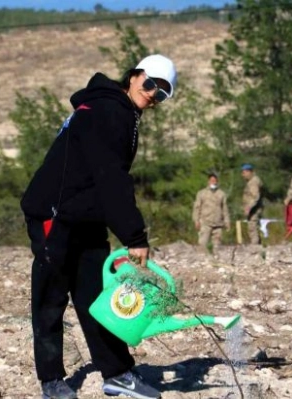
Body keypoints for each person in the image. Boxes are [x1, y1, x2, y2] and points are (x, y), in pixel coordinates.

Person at [20, 54, 177, 399]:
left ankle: (117, 373)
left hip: (87, 216)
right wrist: (134, 235)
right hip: (54, 214)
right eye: (150, 84)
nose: (153, 94)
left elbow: (102, 177)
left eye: (162, 93)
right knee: (51, 298)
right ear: (134, 76)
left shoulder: (118, 111)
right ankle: (52, 380)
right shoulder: (109, 110)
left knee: (98, 299)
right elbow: (111, 176)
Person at [192, 173, 231, 252]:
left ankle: (215, 261)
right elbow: (197, 208)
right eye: (212, 180)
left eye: (215, 181)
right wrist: (196, 220)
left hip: (218, 224)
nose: (213, 182)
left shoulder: (221, 194)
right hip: (205, 222)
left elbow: (225, 209)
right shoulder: (202, 193)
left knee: (217, 247)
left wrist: (227, 222)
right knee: (202, 244)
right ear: (208, 181)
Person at [241, 163, 263, 246]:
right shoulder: (252, 181)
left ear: (249, 172)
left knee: (252, 227)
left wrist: (249, 208)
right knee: (254, 227)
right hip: (254, 209)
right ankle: (258, 244)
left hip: (254, 209)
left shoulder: (253, 182)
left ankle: (255, 245)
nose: (243, 175)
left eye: (244, 173)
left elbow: (255, 197)